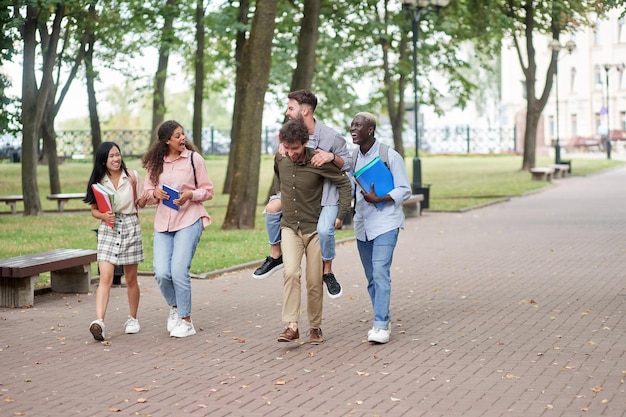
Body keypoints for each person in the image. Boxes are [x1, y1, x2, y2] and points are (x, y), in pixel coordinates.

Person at [253, 89, 352, 300]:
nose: (287, 112)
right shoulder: (288, 134)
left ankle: (328, 272)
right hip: (297, 192)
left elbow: (349, 164)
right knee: (271, 208)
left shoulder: (331, 137)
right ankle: (275, 256)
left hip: (326, 195)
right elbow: (279, 168)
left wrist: (331, 156)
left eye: (291, 108)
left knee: (325, 230)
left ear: (305, 110)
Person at [272, 118, 352, 344]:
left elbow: (344, 184)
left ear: (305, 143)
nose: (291, 153)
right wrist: (278, 199)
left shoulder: (318, 161)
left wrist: (340, 214)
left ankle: (315, 326)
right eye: (287, 148)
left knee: (314, 280)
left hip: (314, 229)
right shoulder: (280, 158)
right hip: (289, 227)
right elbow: (278, 178)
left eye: (295, 149)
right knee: (290, 273)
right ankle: (291, 325)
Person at [141, 120, 214, 338]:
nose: (182, 138)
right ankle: (174, 308)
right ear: (166, 141)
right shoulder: (156, 164)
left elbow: (208, 191)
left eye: (183, 134)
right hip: (164, 222)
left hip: (189, 219)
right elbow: (147, 191)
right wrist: (155, 194)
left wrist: (191, 195)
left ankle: (186, 320)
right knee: (162, 272)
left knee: (179, 270)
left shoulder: (194, 159)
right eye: (177, 136)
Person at [350, 112, 411, 344]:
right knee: (371, 277)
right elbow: (349, 188)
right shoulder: (353, 158)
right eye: (352, 125)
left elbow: (405, 189)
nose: (353, 129)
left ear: (371, 130)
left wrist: (382, 198)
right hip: (362, 225)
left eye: (359, 125)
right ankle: (382, 316)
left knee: (380, 272)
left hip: (387, 222)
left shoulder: (389, 155)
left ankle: (381, 324)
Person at [84, 142, 146, 341]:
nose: (116, 159)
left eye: (118, 155)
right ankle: (99, 321)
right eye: (111, 156)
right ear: (104, 160)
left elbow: (142, 202)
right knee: (106, 277)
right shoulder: (98, 182)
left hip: (130, 227)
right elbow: (94, 209)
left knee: (130, 279)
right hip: (108, 230)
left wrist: (148, 195)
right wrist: (103, 216)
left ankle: (133, 319)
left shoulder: (133, 177)